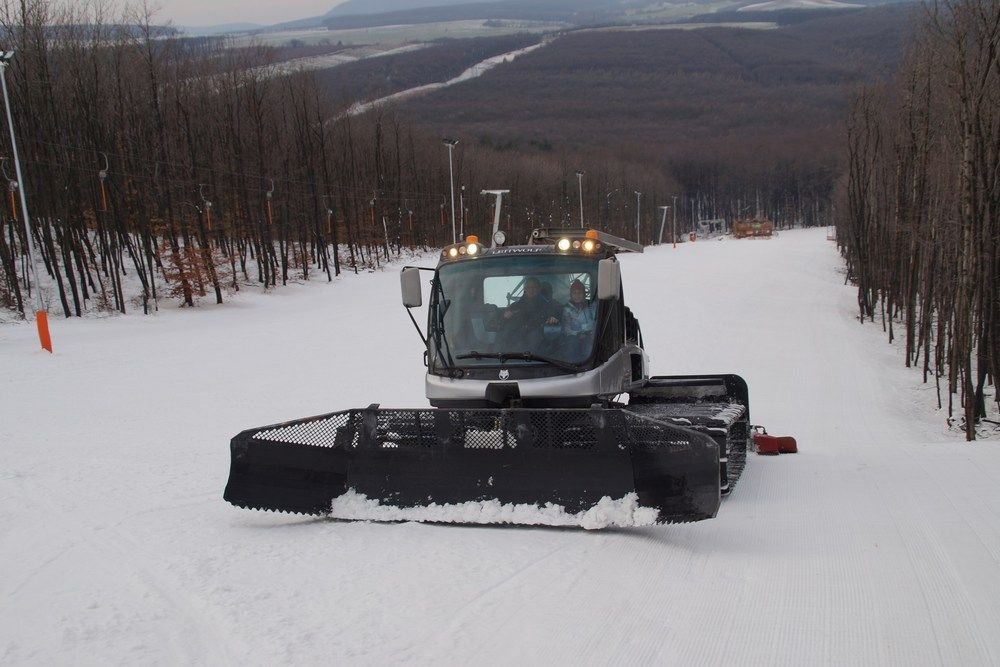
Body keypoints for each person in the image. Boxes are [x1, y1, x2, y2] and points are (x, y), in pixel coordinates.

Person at [500, 276, 560, 348]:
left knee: (535, 336)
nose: (531, 290)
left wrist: (552, 320)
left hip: (539, 345)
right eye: (528, 287)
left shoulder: (549, 306)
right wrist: (505, 317)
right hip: (516, 342)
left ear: (539, 288)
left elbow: (554, 324)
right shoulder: (515, 306)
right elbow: (502, 324)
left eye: (534, 287)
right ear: (525, 289)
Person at [562, 279, 597, 360]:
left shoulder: (591, 306)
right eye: (574, 293)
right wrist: (577, 334)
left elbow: (596, 323)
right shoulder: (567, 309)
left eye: (579, 293)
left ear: (584, 294)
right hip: (573, 337)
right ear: (571, 294)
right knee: (571, 348)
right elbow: (566, 328)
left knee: (589, 349)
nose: (577, 296)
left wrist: (588, 333)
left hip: (590, 336)